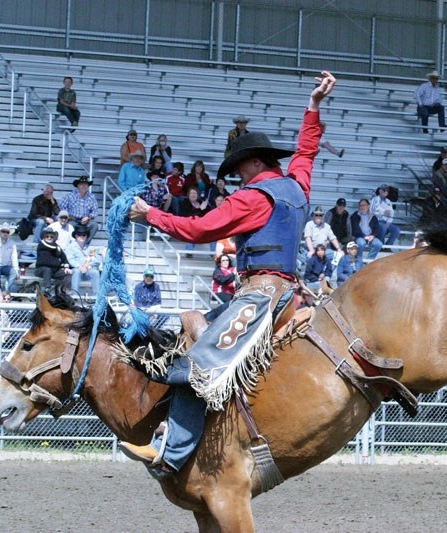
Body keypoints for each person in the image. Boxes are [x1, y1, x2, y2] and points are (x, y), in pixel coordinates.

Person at [121, 70, 337, 475]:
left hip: (260, 296)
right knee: (191, 322)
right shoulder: (297, 187)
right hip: (289, 291)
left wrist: (150, 214)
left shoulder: (253, 198)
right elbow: (306, 153)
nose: (237, 175)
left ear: (256, 162)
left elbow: (198, 229)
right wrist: (313, 107)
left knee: (199, 361)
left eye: (240, 167)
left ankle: (172, 452)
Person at [59, 175, 99, 244]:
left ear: (88, 186)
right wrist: (68, 216)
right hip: (73, 220)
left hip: (86, 221)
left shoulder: (92, 197)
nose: (83, 186)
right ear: (77, 185)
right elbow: (61, 207)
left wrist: (88, 217)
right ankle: (71, 243)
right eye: (81, 184)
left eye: (85, 184)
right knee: (70, 225)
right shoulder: (70, 195)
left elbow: (95, 211)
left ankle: (85, 243)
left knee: (94, 225)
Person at [65, 224, 101, 297]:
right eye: (79, 234)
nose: (81, 236)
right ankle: (75, 295)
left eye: (84, 235)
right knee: (77, 272)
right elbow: (70, 260)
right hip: (75, 269)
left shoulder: (90, 248)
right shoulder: (70, 247)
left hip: (87, 270)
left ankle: (97, 296)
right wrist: (80, 266)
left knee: (95, 272)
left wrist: (88, 265)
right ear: (76, 236)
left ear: (86, 236)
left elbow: (96, 259)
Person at [34, 227, 72, 293]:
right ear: (43, 237)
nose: (49, 238)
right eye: (47, 236)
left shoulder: (57, 247)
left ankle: (60, 290)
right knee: (47, 269)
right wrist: (58, 248)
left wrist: (66, 267)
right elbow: (51, 247)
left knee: (67, 274)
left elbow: (64, 257)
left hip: (54, 271)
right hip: (41, 270)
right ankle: (47, 289)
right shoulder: (41, 244)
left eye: (51, 236)